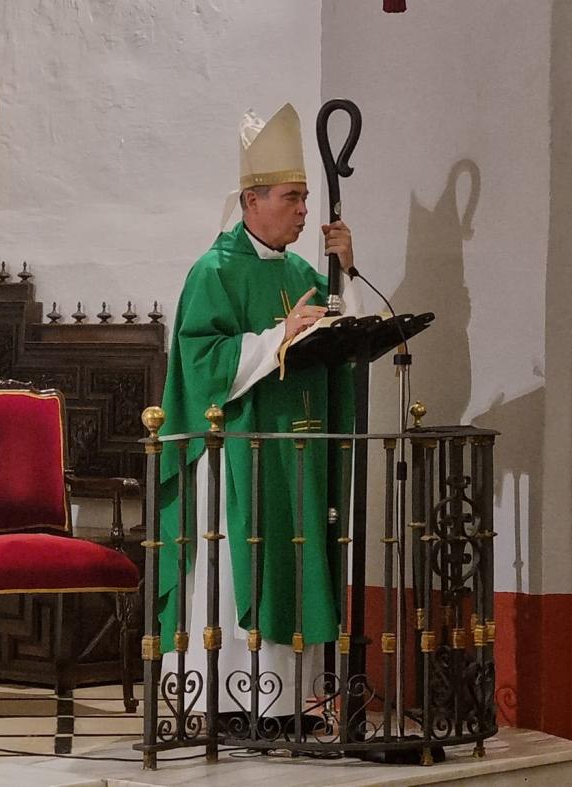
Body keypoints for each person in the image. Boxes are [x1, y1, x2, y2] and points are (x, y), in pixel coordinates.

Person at [157, 103, 368, 725]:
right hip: (240, 452)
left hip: (296, 448)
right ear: (251, 200)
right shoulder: (213, 271)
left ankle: (287, 705)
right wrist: (279, 335)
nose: (304, 209)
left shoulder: (305, 269)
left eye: (305, 197)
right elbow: (202, 360)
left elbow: (345, 339)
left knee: (297, 560)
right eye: (292, 196)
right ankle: (225, 700)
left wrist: (347, 273)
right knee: (242, 564)